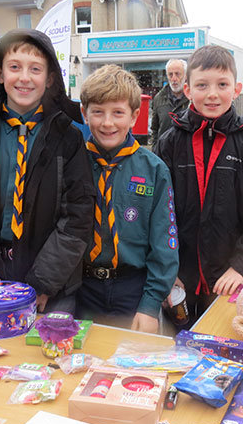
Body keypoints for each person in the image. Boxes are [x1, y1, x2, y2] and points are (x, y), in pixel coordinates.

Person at [0, 29, 95, 315]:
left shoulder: (69, 138)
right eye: (15, 67)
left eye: (35, 69)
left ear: (49, 79)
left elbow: (78, 216)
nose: (24, 78)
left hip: (53, 290)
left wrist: (42, 283)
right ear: (0, 74)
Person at [157, 45, 243, 328]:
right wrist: (164, 267)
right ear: (187, 90)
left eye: (222, 84)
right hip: (178, 277)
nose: (212, 94)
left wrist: (241, 266)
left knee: (220, 345)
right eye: (202, 85)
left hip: (226, 278)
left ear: (236, 89)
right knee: (178, 347)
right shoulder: (169, 143)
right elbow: (157, 211)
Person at [76, 65, 178, 333]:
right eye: (98, 112)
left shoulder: (154, 170)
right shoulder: (72, 164)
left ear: (134, 116)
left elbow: (164, 243)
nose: (107, 123)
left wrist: (150, 304)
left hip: (133, 291)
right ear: (84, 114)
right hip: (80, 291)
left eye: (118, 113)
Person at [150, 59, 189, 149]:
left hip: (186, 154)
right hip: (164, 154)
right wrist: (156, 150)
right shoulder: (158, 98)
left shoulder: (193, 98)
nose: (174, 79)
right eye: (170, 74)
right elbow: (155, 129)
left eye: (177, 74)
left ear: (186, 76)